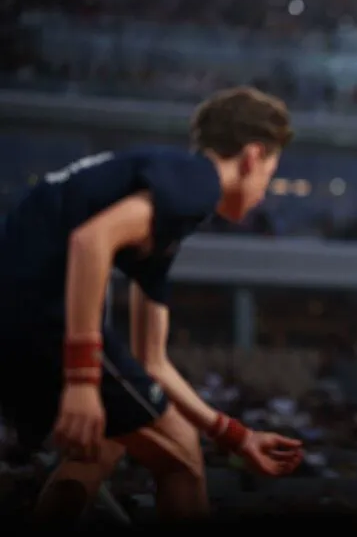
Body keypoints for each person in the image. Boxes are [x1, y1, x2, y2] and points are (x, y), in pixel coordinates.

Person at [0, 86, 305, 523]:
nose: (265, 192)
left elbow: (153, 362)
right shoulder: (198, 181)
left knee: (106, 443)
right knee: (181, 456)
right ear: (252, 157)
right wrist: (82, 379)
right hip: (34, 306)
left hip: (16, 307)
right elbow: (90, 241)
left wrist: (237, 437)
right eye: (270, 176)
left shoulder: (165, 211)